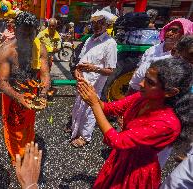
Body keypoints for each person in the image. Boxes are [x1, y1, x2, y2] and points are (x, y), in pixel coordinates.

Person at [77, 58, 192, 189]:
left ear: (170, 92)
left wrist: (93, 104)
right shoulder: (142, 97)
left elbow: (117, 140)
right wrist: (90, 93)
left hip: (136, 172)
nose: (141, 84)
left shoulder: (168, 123)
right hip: (121, 159)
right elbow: (110, 108)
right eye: (145, 78)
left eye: (150, 82)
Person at [127, 18, 193, 168]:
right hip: (146, 109)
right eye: (169, 29)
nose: (170, 33)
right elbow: (138, 81)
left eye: (176, 31)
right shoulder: (157, 57)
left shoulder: (182, 75)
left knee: (152, 159)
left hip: (165, 124)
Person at [0, 12, 50, 165]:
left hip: (32, 93)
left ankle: (26, 149)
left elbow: (45, 75)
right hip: (12, 95)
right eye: (23, 35)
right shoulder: (6, 51)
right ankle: (15, 155)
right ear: (15, 29)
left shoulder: (40, 48)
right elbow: (3, 83)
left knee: (28, 125)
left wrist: (43, 94)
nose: (27, 40)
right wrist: (19, 97)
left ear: (36, 31)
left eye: (31, 35)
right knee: (14, 128)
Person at [69, 10, 117, 147]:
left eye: (100, 23)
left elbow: (110, 70)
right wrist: (78, 70)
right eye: (94, 23)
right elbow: (81, 60)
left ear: (106, 25)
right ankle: (75, 130)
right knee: (78, 105)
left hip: (95, 84)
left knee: (89, 109)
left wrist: (93, 68)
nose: (96, 26)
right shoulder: (90, 39)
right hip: (82, 81)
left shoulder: (110, 43)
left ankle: (85, 136)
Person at [128, 18, 193, 94]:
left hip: (153, 96)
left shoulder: (181, 57)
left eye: (174, 31)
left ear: (185, 34)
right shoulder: (152, 49)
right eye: (168, 29)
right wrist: (132, 85)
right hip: (134, 89)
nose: (169, 33)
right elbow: (139, 68)